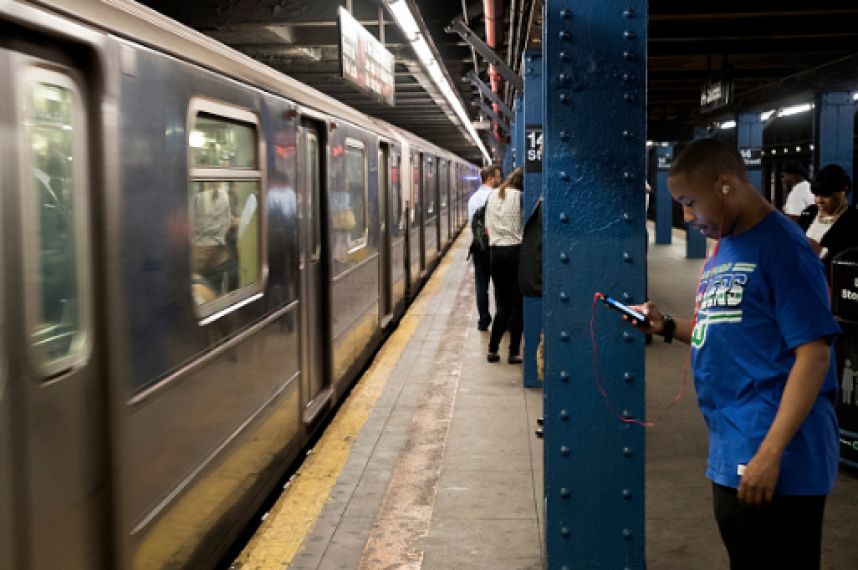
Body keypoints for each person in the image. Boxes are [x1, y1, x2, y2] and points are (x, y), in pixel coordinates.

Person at [627, 138, 839, 569]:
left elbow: (814, 356)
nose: (686, 216)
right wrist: (666, 325)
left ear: (725, 184)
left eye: (689, 202)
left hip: (779, 463)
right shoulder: (727, 243)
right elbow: (722, 331)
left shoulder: (784, 248)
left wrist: (770, 453)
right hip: (733, 448)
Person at [485, 167, 524, 364]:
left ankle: (492, 350)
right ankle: (514, 352)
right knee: (517, 306)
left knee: (502, 306)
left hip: (496, 254)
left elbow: (487, 228)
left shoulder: (493, 196)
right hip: (515, 253)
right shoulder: (521, 197)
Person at [797, 164, 858, 275]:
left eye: (825, 195)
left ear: (843, 191)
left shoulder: (853, 221)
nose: (818, 200)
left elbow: (851, 264)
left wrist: (822, 252)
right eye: (816, 194)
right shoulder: (809, 213)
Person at [467, 164, 502, 331]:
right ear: (490, 178)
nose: (499, 180)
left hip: (479, 247)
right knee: (499, 285)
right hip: (496, 246)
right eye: (497, 177)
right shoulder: (497, 196)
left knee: (481, 285)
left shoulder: (473, 199)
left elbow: (471, 225)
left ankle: (483, 320)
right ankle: (501, 320)